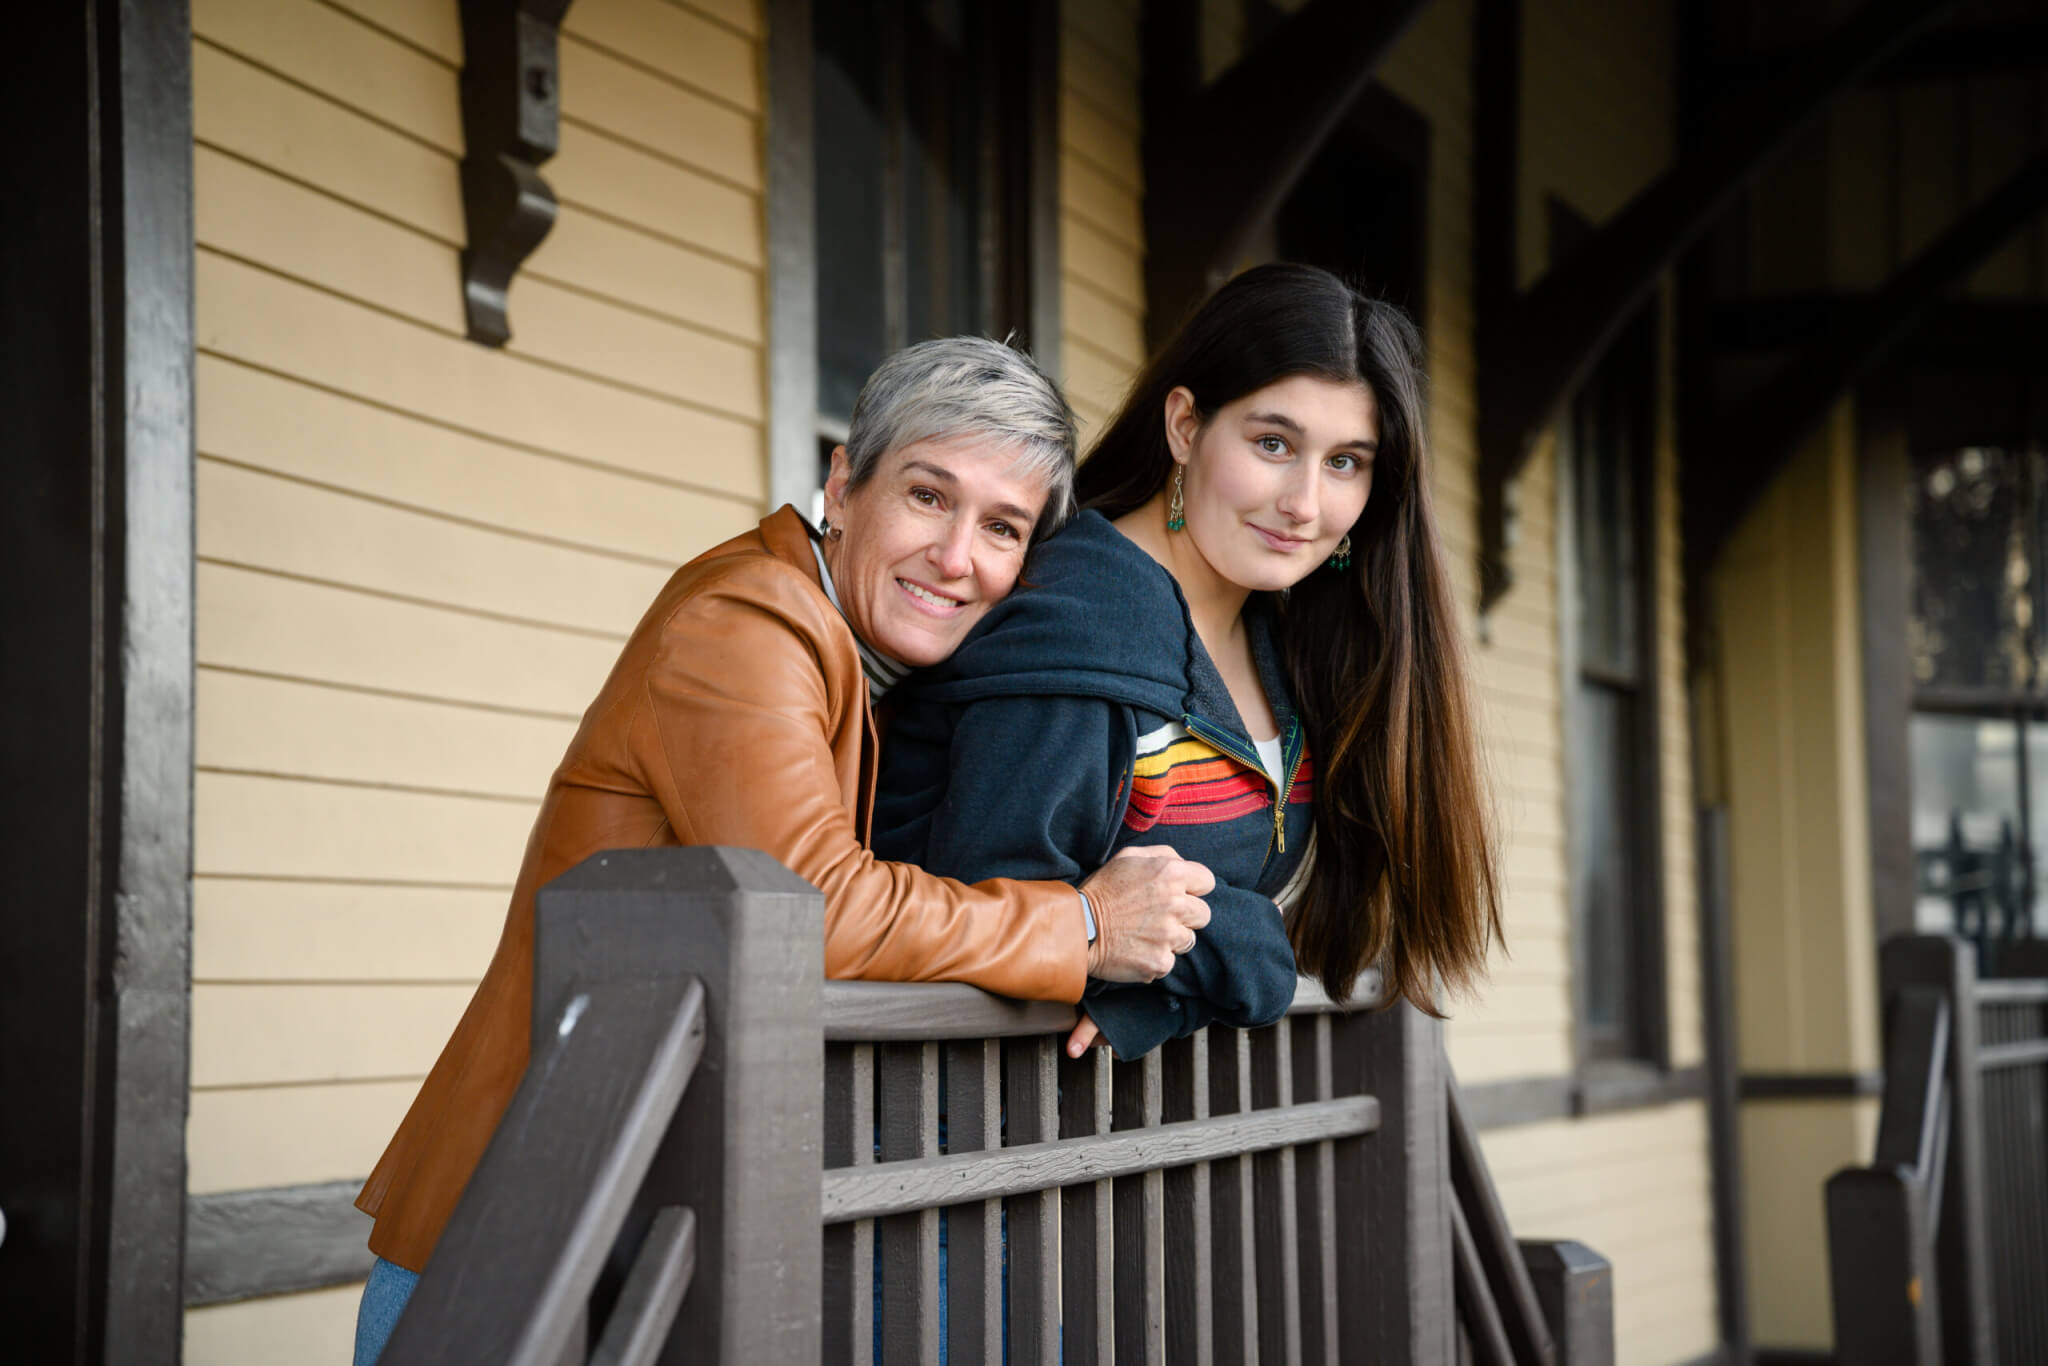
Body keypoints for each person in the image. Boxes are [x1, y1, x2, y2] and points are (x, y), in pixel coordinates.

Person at [349, 337, 1217, 1365]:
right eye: (928, 496)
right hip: (523, 1243)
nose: (956, 557)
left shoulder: (864, 659)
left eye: (1001, 527)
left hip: (622, 1226)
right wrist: (1080, 923)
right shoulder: (748, 619)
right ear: (843, 486)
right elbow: (818, 909)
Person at [874, 264, 1503, 1062]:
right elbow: (990, 911)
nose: (1305, 503)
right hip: (954, 1139)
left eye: (1346, 462)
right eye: (1273, 443)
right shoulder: (1080, 627)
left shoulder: (1277, 634)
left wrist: (1164, 999)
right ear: (1183, 426)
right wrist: (1250, 947)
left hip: (1112, 1149)